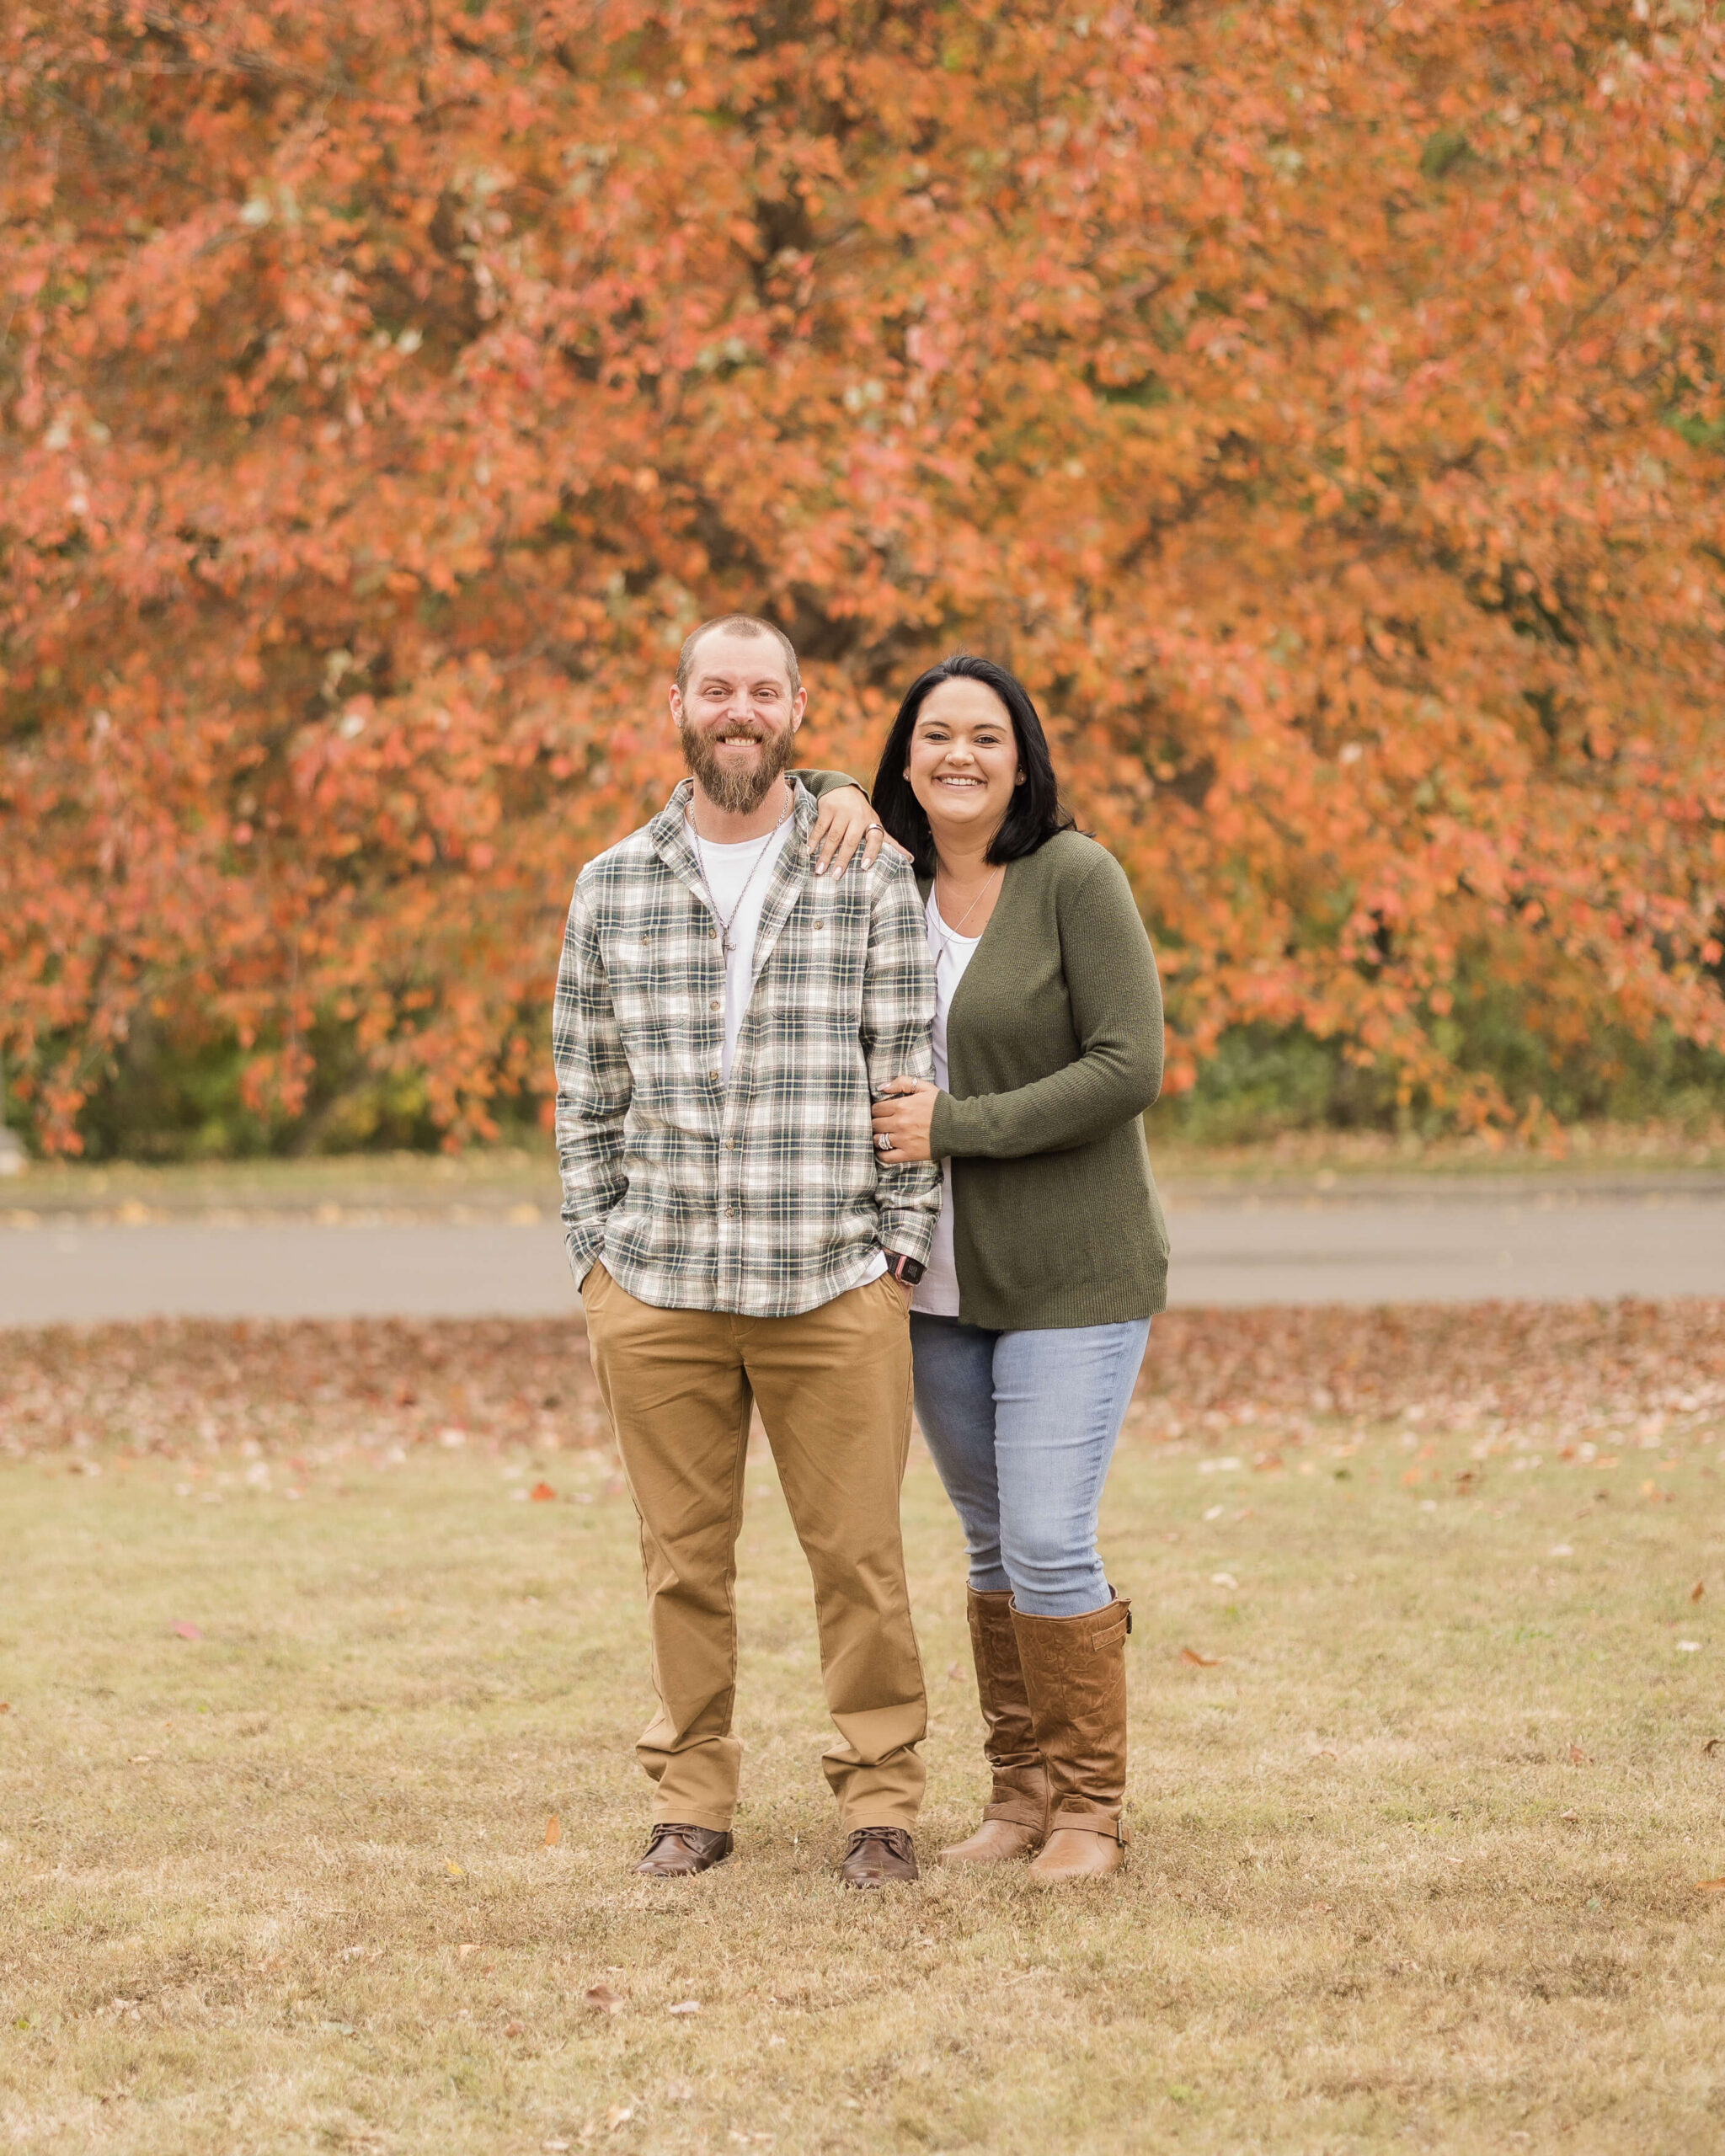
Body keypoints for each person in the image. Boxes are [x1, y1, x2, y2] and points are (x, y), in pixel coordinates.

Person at [553, 613, 940, 1889]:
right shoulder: (612, 885)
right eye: (715, 689)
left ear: (797, 706)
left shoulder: (862, 867)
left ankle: (880, 1803)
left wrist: (901, 1249)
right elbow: (587, 1092)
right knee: (681, 1564)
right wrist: (593, 1262)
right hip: (656, 1284)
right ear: (677, 705)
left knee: (861, 1564)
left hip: (829, 1276)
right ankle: (691, 1800)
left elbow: (907, 1070)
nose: (738, 710)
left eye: (761, 692)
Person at [866, 654, 1169, 1884]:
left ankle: (1091, 1813)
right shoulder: (877, 884)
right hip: (932, 1282)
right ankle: (1020, 1799)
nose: (960, 756)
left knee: (1049, 1537)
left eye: (986, 737)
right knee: (991, 1543)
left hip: (1071, 1275)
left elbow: (1128, 1063)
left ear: (1025, 758)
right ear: (904, 759)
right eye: (935, 735)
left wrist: (957, 1125)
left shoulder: (1074, 879)